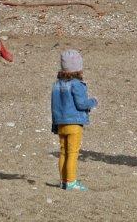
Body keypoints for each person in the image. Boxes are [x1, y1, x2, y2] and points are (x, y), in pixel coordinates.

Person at [51, 49, 98, 191]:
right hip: (74, 124)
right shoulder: (77, 84)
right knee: (72, 153)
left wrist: (55, 124)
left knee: (63, 152)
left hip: (61, 123)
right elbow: (81, 104)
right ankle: (71, 182)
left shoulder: (56, 85)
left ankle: (63, 181)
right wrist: (93, 102)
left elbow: (54, 106)